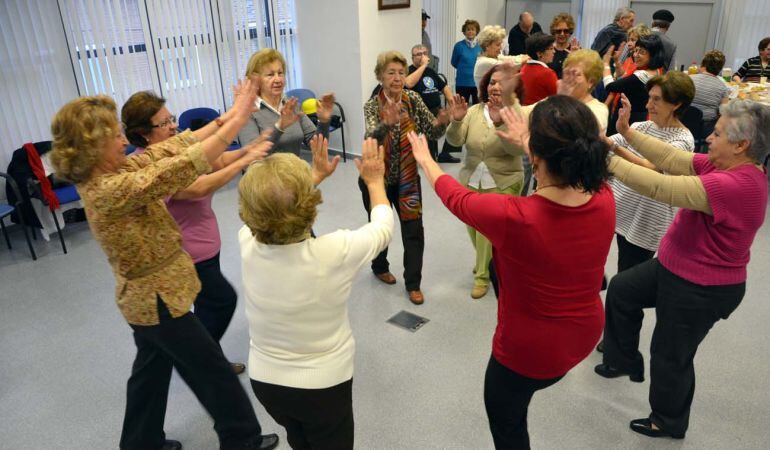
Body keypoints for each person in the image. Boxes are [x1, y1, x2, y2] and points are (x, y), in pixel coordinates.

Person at [49, 79, 279, 450]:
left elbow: (176, 146)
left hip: (151, 298)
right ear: (92, 148)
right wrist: (236, 122)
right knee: (214, 373)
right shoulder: (109, 189)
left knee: (149, 372)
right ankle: (243, 441)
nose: (122, 141)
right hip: (156, 301)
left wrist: (234, 115)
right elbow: (179, 168)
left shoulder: (115, 171)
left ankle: (141, 442)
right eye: (112, 136)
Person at [407, 92, 615, 449]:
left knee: (507, 425)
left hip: (527, 353)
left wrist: (426, 159)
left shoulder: (513, 217)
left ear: (537, 155)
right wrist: (529, 143)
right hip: (584, 335)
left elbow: (455, 197)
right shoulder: (604, 197)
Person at [597, 95, 769, 439]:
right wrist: (624, 134)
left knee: (670, 354)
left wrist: (605, 159)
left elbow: (662, 186)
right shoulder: (724, 165)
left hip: (703, 288)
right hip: (675, 267)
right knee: (622, 290)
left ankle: (669, 421)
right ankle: (624, 358)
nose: (709, 137)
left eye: (718, 134)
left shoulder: (736, 184)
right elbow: (672, 158)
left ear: (742, 145)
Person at [240, 136, 393, 450]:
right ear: (310, 206)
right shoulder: (334, 251)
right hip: (322, 387)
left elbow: (276, 208)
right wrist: (375, 181)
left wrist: (315, 176)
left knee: (299, 439)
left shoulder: (246, 242)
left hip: (266, 383)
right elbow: (382, 227)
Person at [121, 91, 264, 375]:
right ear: (144, 134)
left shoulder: (176, 150)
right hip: (188, 253)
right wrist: (242, 161)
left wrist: (249, 149)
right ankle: (202, 361)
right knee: (223, 300)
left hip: (206, 246)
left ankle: (207, 358)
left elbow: (217, 160)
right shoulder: (148, 167)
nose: (174, 125)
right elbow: (197, 187)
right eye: (165, 123)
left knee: (205, 308)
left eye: (171, 118)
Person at [362, 50, 450, 305]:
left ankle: (413, 283)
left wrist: (445, 121)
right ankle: (379, 267)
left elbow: (432, 132)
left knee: (413, 229)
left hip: (408, 178)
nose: (397, 78)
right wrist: (386, 124)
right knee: (380, 226)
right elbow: (371, 138)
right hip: (377, 178)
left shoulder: (412, 99)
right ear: (380, 76)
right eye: (391, 73)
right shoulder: (372, 104)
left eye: (401, 73)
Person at [604, 71, 695, 280]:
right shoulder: (641, 126)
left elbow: (652, 170)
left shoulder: (683, 140)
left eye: (656, 100)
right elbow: (607, 143)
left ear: (677, 104)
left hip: (645, 220)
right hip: (620, 208)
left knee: (626, 284)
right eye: (649, 98)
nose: (648, 105)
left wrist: (618, 144)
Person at [444, 65, 525, 299]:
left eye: (502, 82)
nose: (496, 86)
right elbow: (455, 140)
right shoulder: (474, 110)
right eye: (492, 82)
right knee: (474, 229)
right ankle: (488, 261)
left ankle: (482, 276)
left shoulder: (516, 112)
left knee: (486, 233)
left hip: (504, 181)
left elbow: (516, 150)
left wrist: (501, 124)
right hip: (471, 179)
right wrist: (457, 121)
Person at [238, 48, 334, 156]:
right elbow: (252, 156)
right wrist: (279, 127)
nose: (278, 79)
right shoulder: (247, 111)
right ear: (256, 79)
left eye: (280, 73)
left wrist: (323, 121)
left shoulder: (292, 105)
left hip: (293, 171)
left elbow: (317, 147)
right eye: (270, 75)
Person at [603, 34, 666, 135]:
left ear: (653, 55)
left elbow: (610, 86)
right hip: (639, 118)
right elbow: (625, 81)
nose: (635, 55)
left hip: (628, 120)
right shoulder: (656, 71)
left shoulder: (641, 76)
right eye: (636, 50)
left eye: (642, 52)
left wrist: (605, 64)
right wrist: (616, 60)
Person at [407, 44, 458, 163]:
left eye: (425, 53)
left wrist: (452, 103)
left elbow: (444, 87)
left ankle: (445, 153)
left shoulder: (431, 71)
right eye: (419, 54)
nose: (423, 56)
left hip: (436, 109)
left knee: (457, 121)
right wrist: (423, 65)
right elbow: (409, 83)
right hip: (420, 113)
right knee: (430, 157)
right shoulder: (408, 70)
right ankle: (429, 156)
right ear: (412, 57)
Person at [690, 50, 731, 138]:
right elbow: (723, 112)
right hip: (705, 129)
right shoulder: (722, 87)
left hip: (683, 123)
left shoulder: (688, 80)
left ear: (703, 65)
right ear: (720, 69)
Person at [474, 25, 527, 90]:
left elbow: (513, 58)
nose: (501, 48)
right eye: (498, 45)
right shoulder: (484, 62)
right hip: (487, 99)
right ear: (487, 45)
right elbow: (511, 65)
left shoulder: (495, 57)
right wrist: (526, 59)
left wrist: (525, 57)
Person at [520, 33, 558, 105]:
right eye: (551, 48)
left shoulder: (523, 68)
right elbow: (558, 99)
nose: (554, 51)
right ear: (539, 53)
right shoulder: (547, 74)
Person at [452, 19, 483, 105]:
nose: (470, 31)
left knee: (478, 108)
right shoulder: (458, 46)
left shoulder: (481, 46)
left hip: (477, 83)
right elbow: (454, 62)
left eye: (473, 29)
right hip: (462, 82)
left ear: (476, 31)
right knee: (462, 107)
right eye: (468, 29)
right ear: (464, 32)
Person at [548, 12, 581, 79]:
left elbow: (581, 74)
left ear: (570, 32)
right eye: (558, 31)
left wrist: (575, 58)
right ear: (554, 32)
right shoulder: (548, 50)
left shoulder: (576, 50)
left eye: (566, 31)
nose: (562, 34)